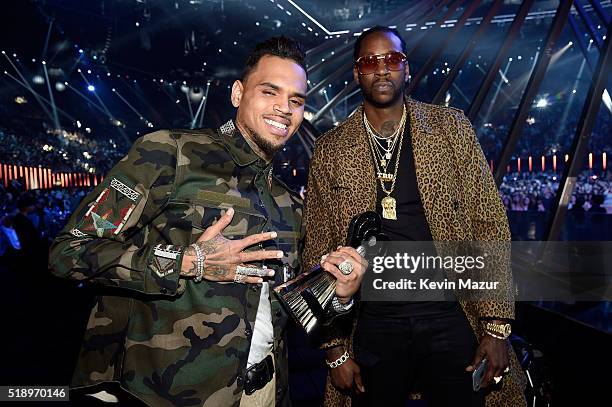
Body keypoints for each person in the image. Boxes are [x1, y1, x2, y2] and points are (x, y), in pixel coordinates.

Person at [49, 37, 365, 407]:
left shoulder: (290, 203)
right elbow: (69, 252)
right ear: (237, 93)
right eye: (270, 92)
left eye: (296, 100)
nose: (284, 108)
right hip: (168, 394)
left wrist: (340, 297)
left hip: (267, 392)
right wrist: (188, 262)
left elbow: (286, 309)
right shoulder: (170, 153)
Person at [302, 26, 526, 406]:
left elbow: (488, 222)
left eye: (392, 60)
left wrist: (497, 325)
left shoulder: (450, 129)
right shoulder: (331, 149)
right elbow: (318, 249)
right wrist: (334, 348)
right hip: (373, 323)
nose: (382, 69)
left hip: (449, 314)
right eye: (370, 62)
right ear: (357, 73)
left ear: (408, 69)